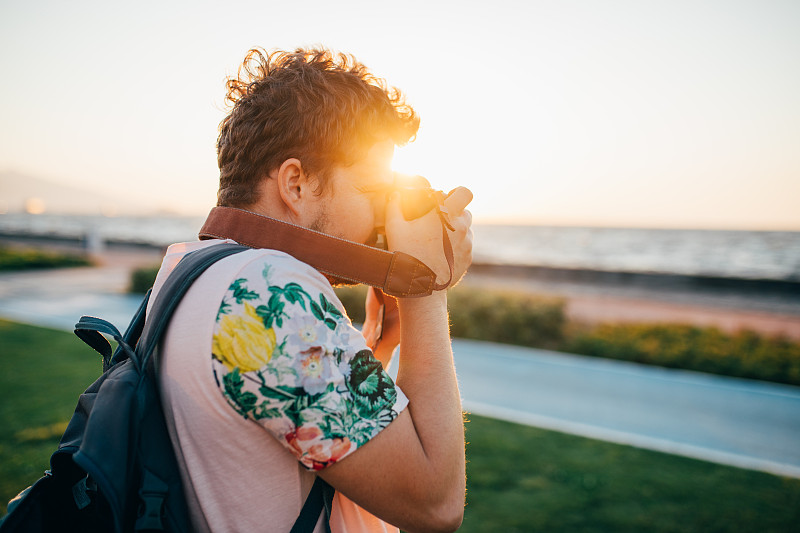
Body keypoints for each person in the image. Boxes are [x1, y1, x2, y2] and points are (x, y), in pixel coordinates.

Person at [148, 48, 473, 533]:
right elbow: (434, 502)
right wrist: (426, 287)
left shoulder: (193, 267)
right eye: (371, 192)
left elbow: (287, 422)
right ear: (295, 183)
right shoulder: (269, 295)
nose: (382, 219)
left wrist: (377, 350)